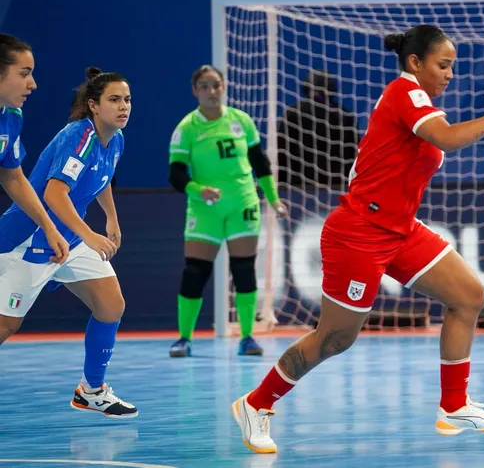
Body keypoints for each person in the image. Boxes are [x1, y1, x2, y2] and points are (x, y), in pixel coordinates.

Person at [231, 24, 484, 453]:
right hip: (359, 232)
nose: (450, 73)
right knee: (335, 339)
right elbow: (449, 140)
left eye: (452, 65)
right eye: (443, 64)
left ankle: (453, 406)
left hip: (400, 230)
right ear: (416, 62)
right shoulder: (406, 93)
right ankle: (255, 403)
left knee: (469, 295)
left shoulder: (422, 104)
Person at [0, 67, 136, 417]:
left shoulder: (114, 139)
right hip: (31, 240)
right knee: (6, 325)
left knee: (110, 304)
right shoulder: (80, 136)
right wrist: (91, 234)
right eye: (114, 100)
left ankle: (91, 391)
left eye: (127, 100)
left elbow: (101, 178)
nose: (123, 107)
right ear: (93, 105)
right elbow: (54, 193)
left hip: (70, 240)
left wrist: (112, 217)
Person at [167, 65, 286, 358]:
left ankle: (247, 338)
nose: (212, 91)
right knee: (195, 272)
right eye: (205, 86)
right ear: (195, 91)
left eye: (216, 85)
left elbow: (260, 164)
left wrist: (273, 200)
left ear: (223, 87)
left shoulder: (241, 121)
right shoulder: (186, 129)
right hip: (204, 208)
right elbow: (176, 175)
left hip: (242, 203)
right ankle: (184, 338)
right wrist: (199, 190)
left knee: (243, 269)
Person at [0, 34, 71, 335]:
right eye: (24, 74)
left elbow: (13, 176)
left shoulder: (11, 117)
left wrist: (49, 227)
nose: (33, 84)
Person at [276, 70, 359, 189]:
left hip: (300, 186)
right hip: (338, 185)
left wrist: (280, 185)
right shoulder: (344, 115)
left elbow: (281, 152)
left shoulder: (293, 112)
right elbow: (354, 154)